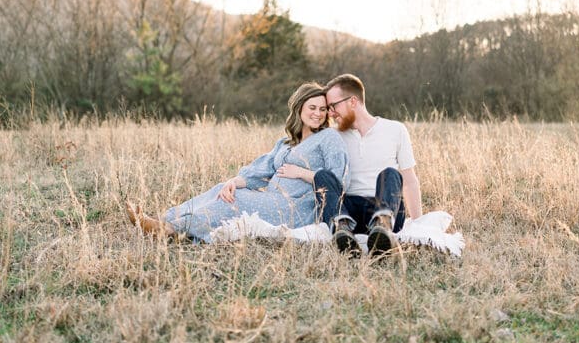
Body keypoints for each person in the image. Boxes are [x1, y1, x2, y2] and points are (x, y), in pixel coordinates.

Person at [125, 82, 349, 243]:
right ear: (299, 107)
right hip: (272, 198)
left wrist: (301, 172)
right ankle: (163, 219)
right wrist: (234, 181)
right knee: (223, 190)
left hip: (298, 207)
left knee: (237, 200)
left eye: (322, 109)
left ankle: (171, 229)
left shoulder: (328, 138)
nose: (318, 114)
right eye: (312, 107)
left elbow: (338, 180)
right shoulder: (286, 143)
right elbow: (259, 171)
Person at [313, 73, 423, 259]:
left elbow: (410, 181)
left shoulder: (395, 129)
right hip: (348, 211)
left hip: (385, 205)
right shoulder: (332, 136)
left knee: (390, 174)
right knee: (321, 175)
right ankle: (342, 231)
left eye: (333, 106)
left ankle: (382, 229)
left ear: (353, 101)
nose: (330, 113)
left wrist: (420, 224)